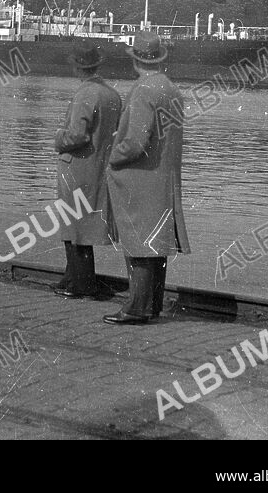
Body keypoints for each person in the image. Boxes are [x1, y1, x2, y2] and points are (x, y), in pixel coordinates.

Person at [104, 31, 190, 325]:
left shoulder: (143, 90)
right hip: (164, 177)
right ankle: (152, 305)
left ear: (135, 60)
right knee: (155, 245)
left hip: (140, 178)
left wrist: (111, 157)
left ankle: (136, 308)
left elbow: (135, 143)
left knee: (139, 242)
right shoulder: (171, 89)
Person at [54, 43, 122, 299]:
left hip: (77, 168)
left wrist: (58, 138)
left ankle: (80, 284)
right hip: (99, 169)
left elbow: (76, 135)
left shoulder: (85, 93)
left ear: (76, 66)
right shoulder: (112, 94)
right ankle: (71, 278)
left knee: (74, 227)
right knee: (83, 225)